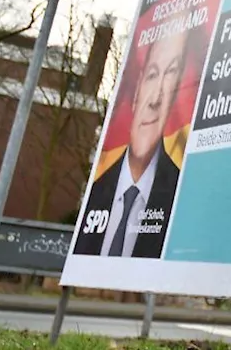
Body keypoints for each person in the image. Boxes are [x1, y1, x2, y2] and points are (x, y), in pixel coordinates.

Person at [73, 22, 189, 258]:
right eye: (153, 75)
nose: (155, 99)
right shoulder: (95, 191)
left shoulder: (182, 197)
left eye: (170, 76)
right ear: (136, 93)